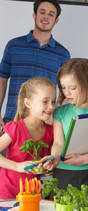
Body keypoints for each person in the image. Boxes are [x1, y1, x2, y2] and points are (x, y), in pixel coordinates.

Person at [40, 58, 88, 208]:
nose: (66, 92)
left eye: (72, 88)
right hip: (64, 173)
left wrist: (84, 159)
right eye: (63, 87)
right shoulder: (60, 112)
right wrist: (54, 157)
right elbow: (58, 143)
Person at [0, 0, 70, 132]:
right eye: (42, 12)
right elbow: (1, 80)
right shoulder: (13, 45)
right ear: (34, 15)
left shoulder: (63, 54)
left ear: (56, 20)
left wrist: (54, 116)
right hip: (12, 120)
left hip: (43, 124)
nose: (45, 17)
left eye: (51, 14)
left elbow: (65, 92)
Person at [0, 77, 56, 199]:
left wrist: (48, 165)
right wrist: (17, 166)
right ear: (28, 103)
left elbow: (50, 160)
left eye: (53, 101)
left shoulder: (51, 132)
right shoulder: (15, 128)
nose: (51, 107)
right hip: (6, 194)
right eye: (45, 102)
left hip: (32, 196)